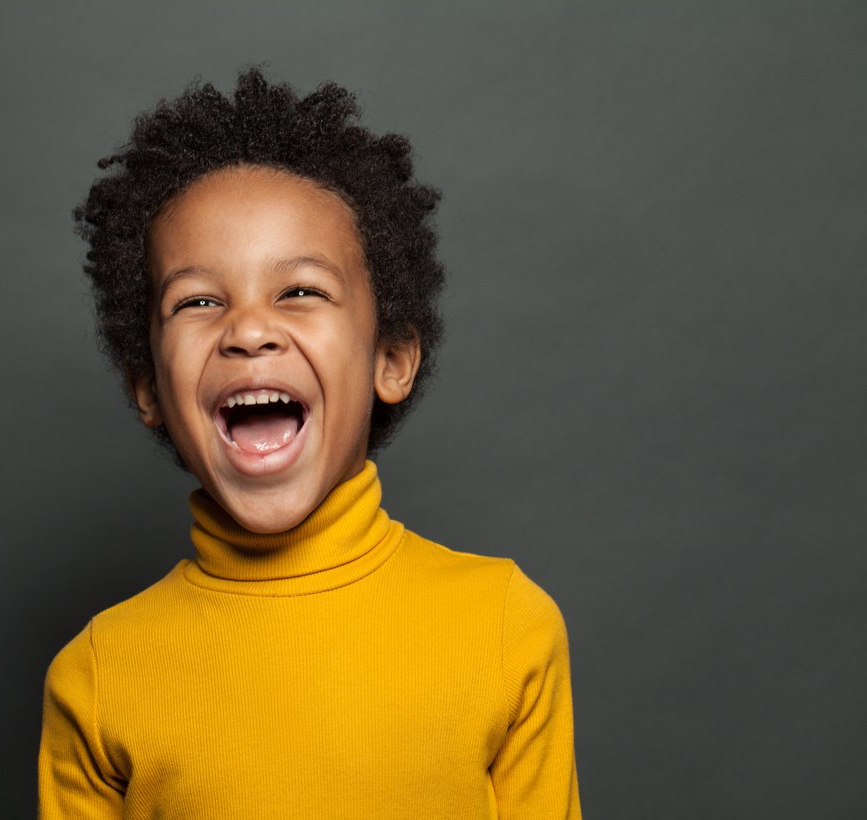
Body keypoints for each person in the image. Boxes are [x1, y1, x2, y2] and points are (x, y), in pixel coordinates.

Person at [39, 68, 581, 819]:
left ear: (389, 360)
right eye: (197, 301)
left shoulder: (503, 626)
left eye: (299, 290)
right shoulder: (98, 676)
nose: (249, 330)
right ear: (149, 393)